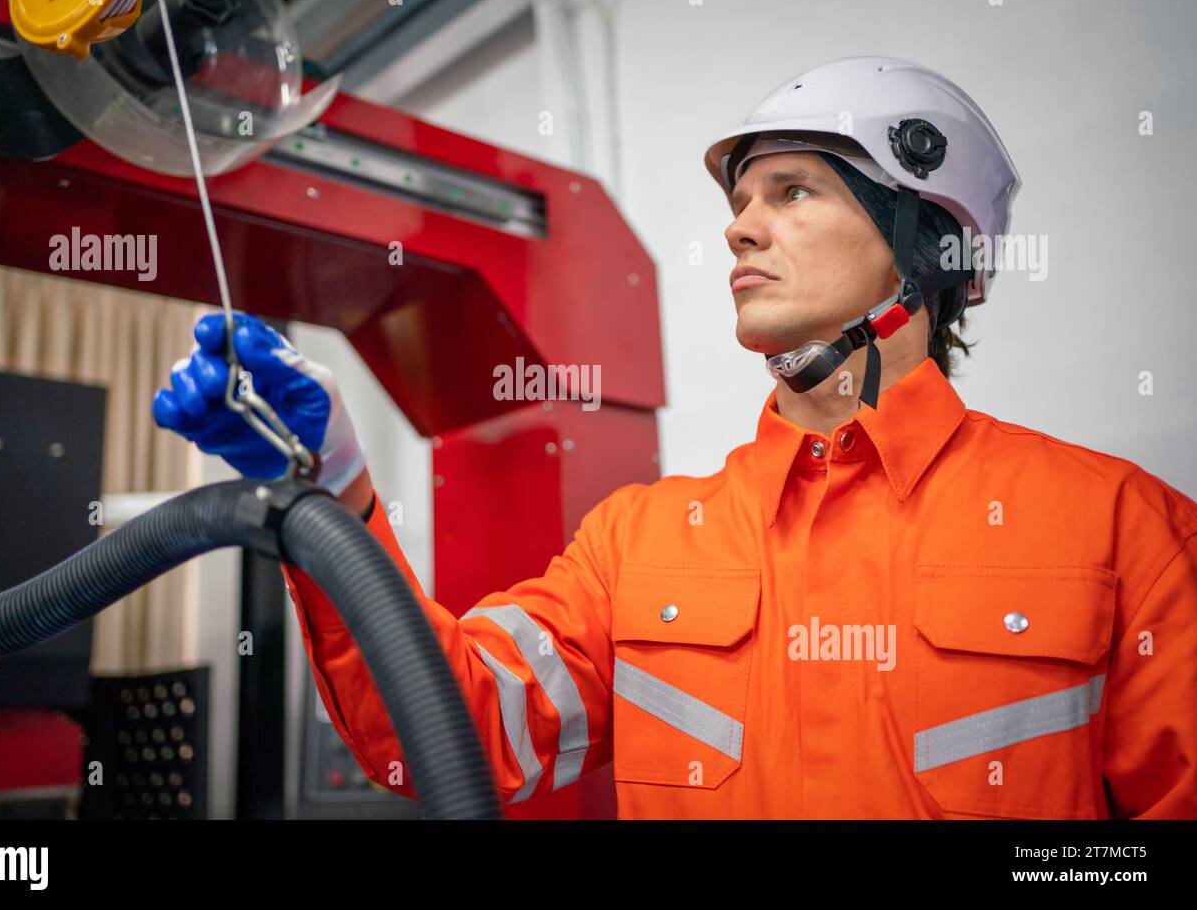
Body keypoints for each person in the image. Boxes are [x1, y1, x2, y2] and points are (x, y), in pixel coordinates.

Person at [153, 56, 1196, 819]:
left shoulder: (1121, 530)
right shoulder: (637, 544)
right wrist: (335, 492)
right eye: (741, 202)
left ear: (924, 242)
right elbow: (445, 733)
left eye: (792, 192)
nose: (739, 226)